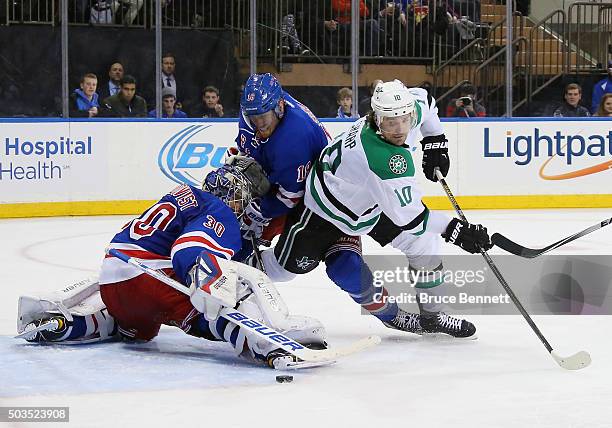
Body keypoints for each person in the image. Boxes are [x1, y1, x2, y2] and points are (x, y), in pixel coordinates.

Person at [17, 164, 327, 369]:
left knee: (134, 326)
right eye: (243, 198)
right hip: (149, 283)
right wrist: (213, 287)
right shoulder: (218, 208)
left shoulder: (181, 197)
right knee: (231, 288)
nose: (242, 206)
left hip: (114, 279)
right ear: (234, 194)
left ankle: (66, 325)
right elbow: (189, 250)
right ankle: (268, 346)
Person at [251, 79, 493, 338]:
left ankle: (433, 316)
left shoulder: (404, 112)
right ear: (376, 119)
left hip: (368, 204)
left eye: (404, 119)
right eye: (390, 122)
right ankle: (232, 267)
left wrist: (436, 140)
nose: (400, 129)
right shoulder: (381, 157)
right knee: (287, 270)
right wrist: (456, 230)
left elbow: (427, 100)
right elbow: (412, 218)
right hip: (323, 211)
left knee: (422, 244)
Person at [234, 73, 425, 336]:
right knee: (279, 261)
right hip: (318, 199)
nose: (257, 124)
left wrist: (258, 212)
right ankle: (230, 274)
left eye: (262, 119)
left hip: (314, 206)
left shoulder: (294, 139)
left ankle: (393, 315)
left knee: (344, 268)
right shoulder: (259, 108)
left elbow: (288, 197)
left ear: (278, 107)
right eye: (253, 118)